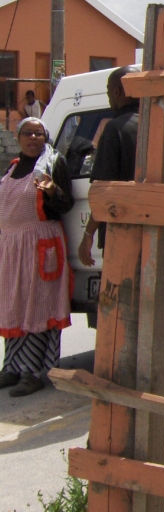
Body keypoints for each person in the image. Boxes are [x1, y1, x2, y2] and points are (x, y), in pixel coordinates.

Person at [78, 66, 164, 266]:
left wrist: (88, 233)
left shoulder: (114, 129)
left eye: (109, 92)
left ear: (117, 92)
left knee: (121, 293)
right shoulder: (161, 125)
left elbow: (104, 192)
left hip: (121, 231)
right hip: (157, 231)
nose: (110, 98)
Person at [0, 118, 74, 397]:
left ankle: (32, 372)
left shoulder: (55, 164)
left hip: (40, 244)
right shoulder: (13, 167)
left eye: (38, 133)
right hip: (11, 248)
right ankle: (11, 368)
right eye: (27, 133)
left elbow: (65, 204)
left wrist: (53, 190)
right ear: (18, 138)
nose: (33, 138)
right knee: (13, 304)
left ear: (46, 137)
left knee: (37, 306)